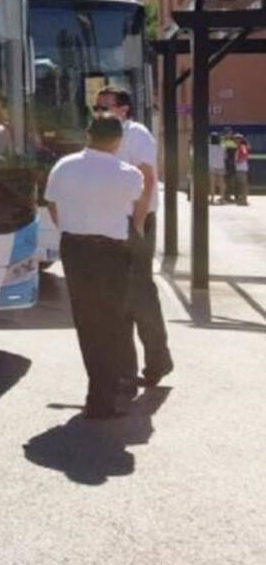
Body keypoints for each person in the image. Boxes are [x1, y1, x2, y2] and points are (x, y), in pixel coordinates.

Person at [44, 116, 147, 418]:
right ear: (118, 141)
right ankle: (107, 393)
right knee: (113, 321)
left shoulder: (64, 166)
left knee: (87, 321)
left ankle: (98, 390)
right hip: (112, 252)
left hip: (75, 249)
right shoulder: (129, 174)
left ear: (88, 135)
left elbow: (52, 203)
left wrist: (68, 226)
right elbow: (134, 201)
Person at [95, 86, 174, 387]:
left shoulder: (136, 134)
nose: (100, 111)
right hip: (112, 221)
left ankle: (157, 361)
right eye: (97, 107)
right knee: (118, 293)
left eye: (106, 106)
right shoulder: (102, 136)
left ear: (124, 109)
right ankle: (125, 368)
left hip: (135, 221)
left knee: (140, 291)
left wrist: (139, 223)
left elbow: (148, 179)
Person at [208, 134, 226, 204]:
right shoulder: (222, 147)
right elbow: (225, 156)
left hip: (211, 166)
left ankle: (212, 199)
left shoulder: (208, 147)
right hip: (221, 166)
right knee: (221, 183)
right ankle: (222, 198)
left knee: (212, 183)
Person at [234, 134, 251, 205]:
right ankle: (243, 199)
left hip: (241, 168)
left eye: (236, 139)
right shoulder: (240, 146)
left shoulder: (242, 146)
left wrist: (238, 160)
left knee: (243, 184)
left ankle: (244, 200)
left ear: (240, 140)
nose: (235, 141)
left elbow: (245, 154)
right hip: (240, 168)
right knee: (242, 184)